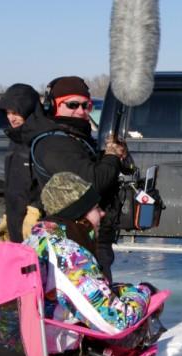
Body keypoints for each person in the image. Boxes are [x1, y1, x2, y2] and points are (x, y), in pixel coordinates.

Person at [25, 171, 182, 356]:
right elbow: (116, 319)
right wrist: (144, 292)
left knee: (98, 342)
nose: (102, 214)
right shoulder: (67, 253)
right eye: (95, 208)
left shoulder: (33, 241)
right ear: (78, 213)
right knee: (119, 340)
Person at [20, 76, 133, 282]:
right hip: (75, 239)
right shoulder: (55, 143)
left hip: (89, 233)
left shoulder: (74, 137)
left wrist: (117, 157)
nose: (81, 111)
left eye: (86, 105)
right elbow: (93, 182)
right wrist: (111, 157)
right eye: (72, 105)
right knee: (94, 303)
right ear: (52, 105)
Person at [0, 83, 43, 243]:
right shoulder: (15, 139)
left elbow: (51, 180)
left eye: (16, 112)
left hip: (38, 222)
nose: (11, 117)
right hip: (16, 218)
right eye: (8, 113)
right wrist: (8, 216)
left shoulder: (43, 139)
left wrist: (37, 209)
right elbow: (13, 184)